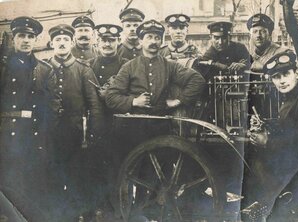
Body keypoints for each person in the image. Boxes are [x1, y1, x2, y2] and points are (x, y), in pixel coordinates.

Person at [105, 19, 205, 219]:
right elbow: (111, 97)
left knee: (156, 177)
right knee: (128, 175)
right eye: (149, 37)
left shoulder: (170, 66)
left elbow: (197, 80)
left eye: (157, 37)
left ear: (161, 40)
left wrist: (177, 101)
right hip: (131, 131)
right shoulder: (129, 67)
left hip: (160, 129)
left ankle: (150, 214)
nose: (153, 41)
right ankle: (126, 215)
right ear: (141, 40)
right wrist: (134, 101)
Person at [242, 51, 298, 221]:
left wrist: (267, 141)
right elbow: (290, 125)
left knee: (255, 161)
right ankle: (268, 203)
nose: (281, 80)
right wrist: (264, 126)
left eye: (286, 74)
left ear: (297, 73)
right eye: (276, 76)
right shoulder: (293, 95)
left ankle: (282, 203)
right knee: (250, 154)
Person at [0, 16, 59, 221]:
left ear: (36, 40)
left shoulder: (45, 70)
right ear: (14, 38)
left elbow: (53, 107)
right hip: (6, 136)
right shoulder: (3, 66)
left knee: (31, 183)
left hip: (32, 137)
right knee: (8, 183)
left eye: (30, 37)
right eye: (21, 36)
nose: (25, 40)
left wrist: (44, 136)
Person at [47, 24, 103, 220]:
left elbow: (94, 105)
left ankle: (80, 215)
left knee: (78, 176)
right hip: (50, 133)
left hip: (78, 134)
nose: (61, 43)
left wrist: (94, 132)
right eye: (57, 40)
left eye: (65, 40)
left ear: (71, 43)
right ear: (51, 43)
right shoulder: (43, 68)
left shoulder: (83, 70)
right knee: (52, 175)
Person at [89, 23, 129, 215]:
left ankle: (118, 212)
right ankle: (99, 211)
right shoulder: (89, 65)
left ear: (118, 42)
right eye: (103, 40)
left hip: (120, 127)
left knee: (119, 170)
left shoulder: (126, 65)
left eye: (111, 40)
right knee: (96, 169)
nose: (107, 44)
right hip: (96, 126)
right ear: (97, 42)